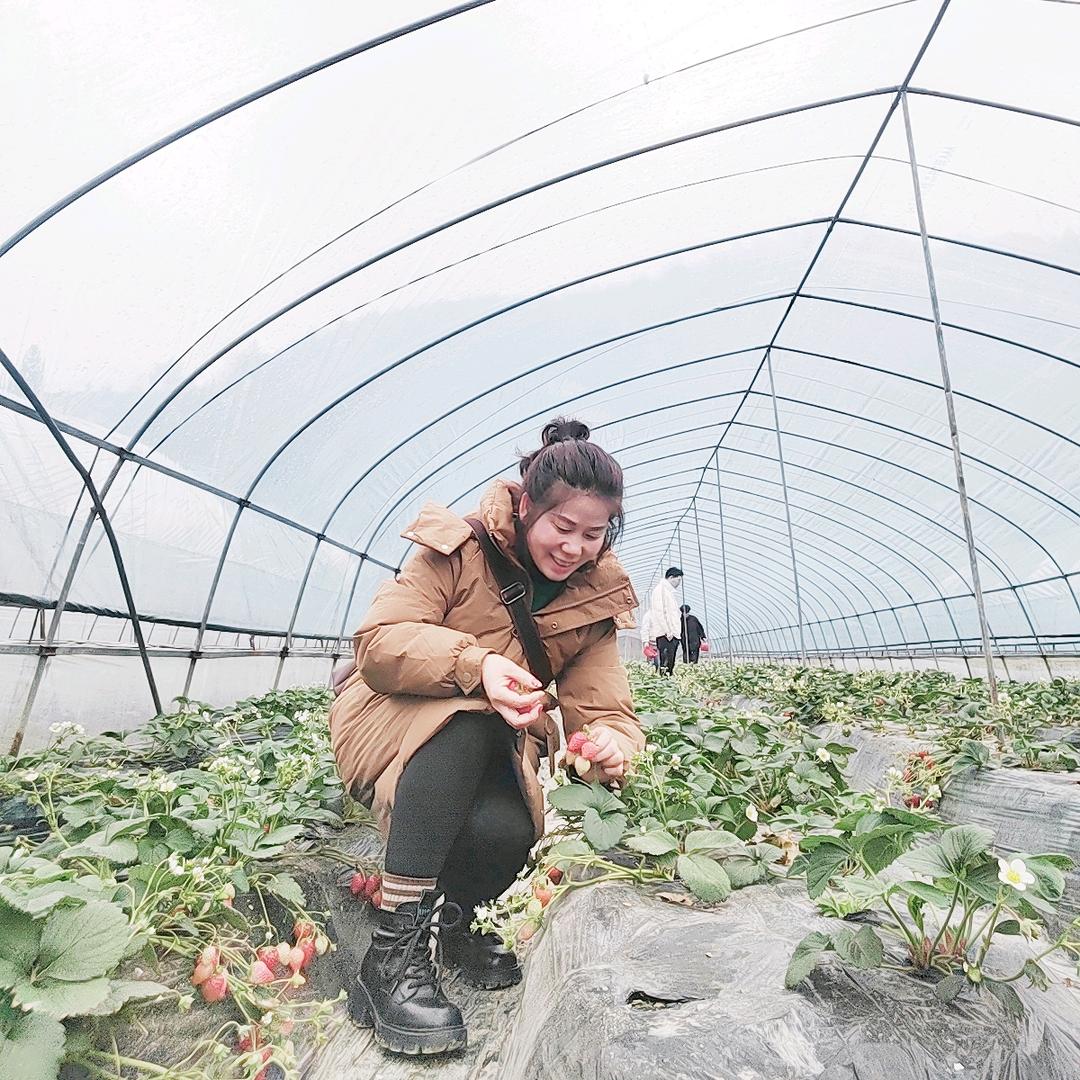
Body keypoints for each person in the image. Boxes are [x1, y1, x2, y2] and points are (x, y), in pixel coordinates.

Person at [329, 418, 643, 1056]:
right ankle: (391, 956)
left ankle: (462, 926)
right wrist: (477, 665)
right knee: (470, 716)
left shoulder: (593, 602)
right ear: (527, 507)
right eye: (562, 527)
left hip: (487, 743)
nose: (574, 548)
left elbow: (605, 707)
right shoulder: (457, 550)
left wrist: (611, 743)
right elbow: (381, 644)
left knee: (511, 826)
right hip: (386, 715)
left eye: (592, 534)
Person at [648, 566, 683, 674]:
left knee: (670, 663)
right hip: (666, 634)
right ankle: (665, 685)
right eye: (679, 580)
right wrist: (668, 631)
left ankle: (668, 684)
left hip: (672, 634)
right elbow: (659, 612)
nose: (679, 583)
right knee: (666, 663)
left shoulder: (668, 592)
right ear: (671, 577)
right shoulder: (660, 590)